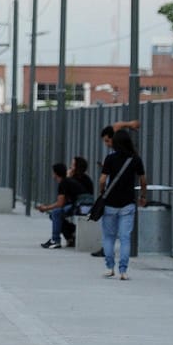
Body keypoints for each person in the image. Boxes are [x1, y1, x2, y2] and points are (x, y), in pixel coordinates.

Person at [99, 129, 147, 280]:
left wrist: (103, 193)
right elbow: (143, 180)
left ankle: (109, 267)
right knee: (125, 238)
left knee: (109, 237)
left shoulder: (110, 158)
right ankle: (123, 271)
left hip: (110, 203)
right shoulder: (136, 159)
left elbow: (102, 180)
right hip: (127, 204)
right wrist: (143, 196)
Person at [91, 119, 141, 257]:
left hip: (117, 196)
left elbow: (116, 126)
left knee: (112, 227)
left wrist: (129, 124)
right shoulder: (118, 155)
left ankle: (108, 249)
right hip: (123, 195)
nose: (107, 144)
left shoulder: (121, 153)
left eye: (108, 141)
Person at [36, 157, 94, 249]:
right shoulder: (86, 179)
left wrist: (45, 208)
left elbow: (60, 203)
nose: (70, 167)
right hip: (87, 205)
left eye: (72, 165)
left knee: (56, 213)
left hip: (79, 205)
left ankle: (56, 240)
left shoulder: (66, 181)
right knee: (56, 213)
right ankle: (71, 235)